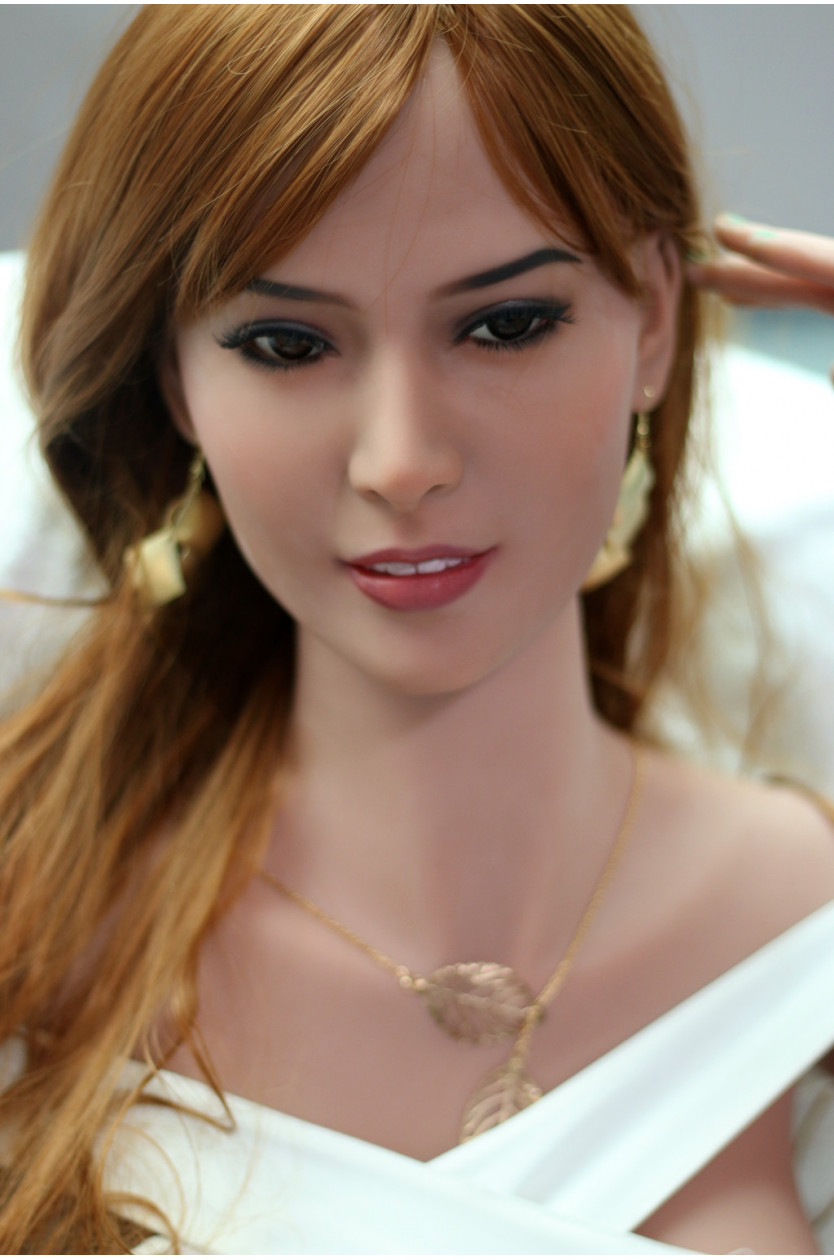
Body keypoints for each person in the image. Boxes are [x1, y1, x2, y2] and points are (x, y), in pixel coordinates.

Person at [1, 4, 833, 1253]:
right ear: (173, 379)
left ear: (655, 318)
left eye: (506, 325)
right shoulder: (36, 922)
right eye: (286, 343)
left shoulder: (802, 923)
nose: (400, 462)